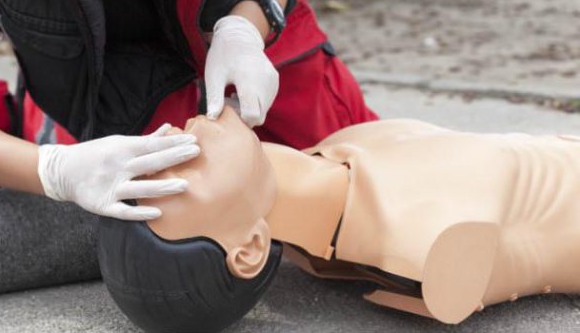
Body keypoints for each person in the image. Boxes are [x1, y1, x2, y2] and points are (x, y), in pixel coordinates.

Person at [0, 0, 376, 221]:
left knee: (375, 191)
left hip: (270, 73)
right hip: (104, 116)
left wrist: (245, 29)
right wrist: (53, 171)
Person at [99, 107, 580, 332]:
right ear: (248, 250)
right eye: (179, 173)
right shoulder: (429, 244)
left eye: (152, 160)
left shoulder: (337, 152)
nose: (169, 139)